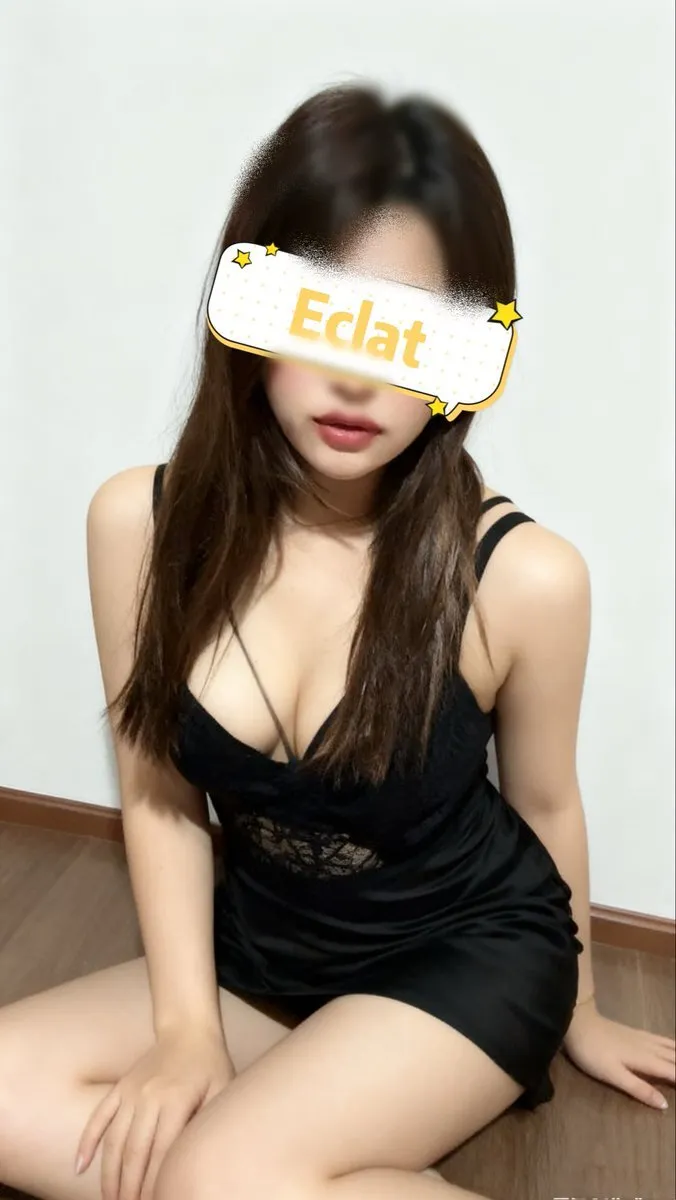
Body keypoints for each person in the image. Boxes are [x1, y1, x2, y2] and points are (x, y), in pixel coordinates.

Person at [1, 82, 673, 1200]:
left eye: (411, 333)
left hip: (463, 954)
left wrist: (585, 1010)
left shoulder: (524, 579)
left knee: (216, 1174)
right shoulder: (138, 525)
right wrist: (186, 1031)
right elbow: (159, 794)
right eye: (321, 316)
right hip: (263, 946)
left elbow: (547, 802)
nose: (358, 374)